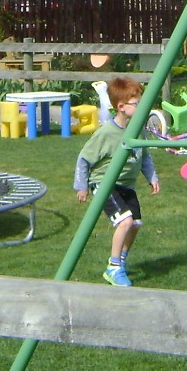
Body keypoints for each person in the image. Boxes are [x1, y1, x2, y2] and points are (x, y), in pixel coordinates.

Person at [74, 75, 160, 287]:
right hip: (105, 184)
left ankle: (121, 260)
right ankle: (113, 268)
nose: (141, 107)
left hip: (127, 185)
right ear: (121, 106)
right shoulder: (107, 133)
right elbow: (84, 159)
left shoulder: (137, 127)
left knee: (136, 224)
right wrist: (82, 186)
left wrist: (152, 176)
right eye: (136, 103)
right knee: (125, 221)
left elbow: (144, 154)